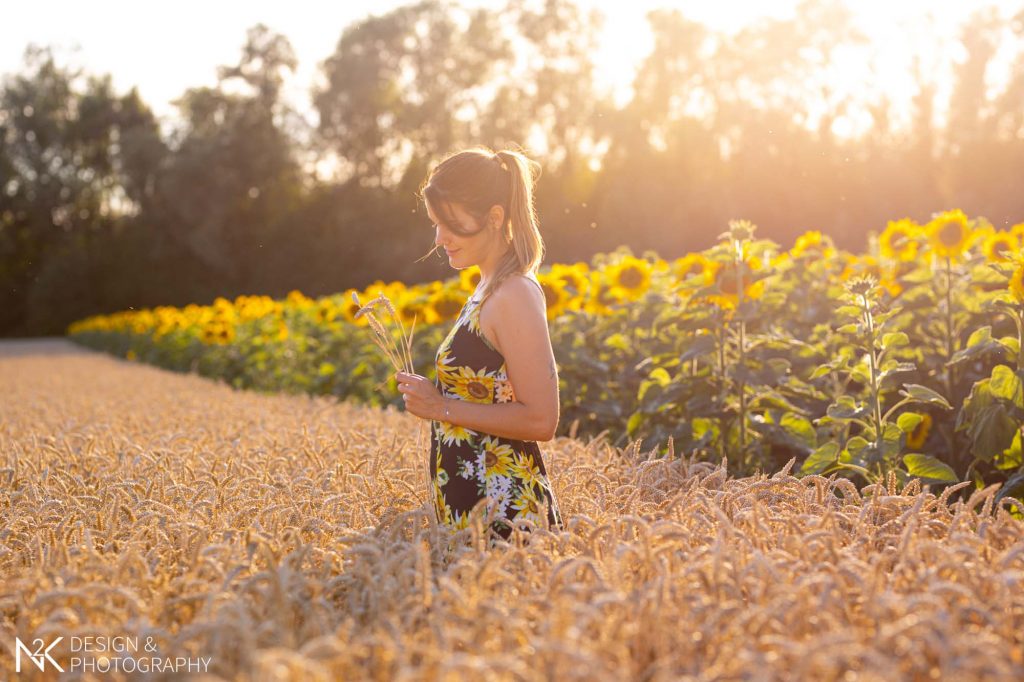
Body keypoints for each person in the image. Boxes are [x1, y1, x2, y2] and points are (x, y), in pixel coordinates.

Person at [395, 146, 564, 543]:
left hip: (505, 514)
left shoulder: (515, 293)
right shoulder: (485, 288)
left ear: (494, 218)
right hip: (473, 510)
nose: (439, 239)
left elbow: (542, 419)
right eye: (436, 224)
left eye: (451, 224)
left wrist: (440, 407)